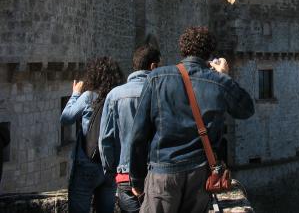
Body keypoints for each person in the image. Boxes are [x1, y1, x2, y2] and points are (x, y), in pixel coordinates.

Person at [129, 26, 255, 213]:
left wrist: (137, 179)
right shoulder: (219, 81)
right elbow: (246, 109)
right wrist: (224, 75)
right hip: (200, 175)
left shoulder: (157, 78)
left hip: (163, 172)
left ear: (183, 49)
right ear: (210, 54)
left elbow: (139, 134)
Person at [99, 44, 161, 213]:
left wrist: (112, 170)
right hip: (158, 173)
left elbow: (105, 139)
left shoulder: (114, 95)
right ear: (153, 66)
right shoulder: (161, 93)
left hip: (124, 174)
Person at [61, 57, 123, 213]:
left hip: (87, 163)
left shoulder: (89, 96)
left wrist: (75, 94)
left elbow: (66, 118)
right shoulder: (118, 97)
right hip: (110, 165)